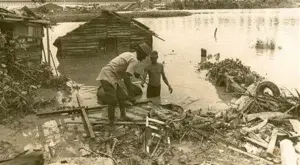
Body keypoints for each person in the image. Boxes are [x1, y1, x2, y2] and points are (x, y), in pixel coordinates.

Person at [96, 43, 151, 125]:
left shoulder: (129, 54)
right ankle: (111, 122)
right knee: (113, 101)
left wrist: (134, 73)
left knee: (121, 96)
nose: (144, 58)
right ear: (141, 52)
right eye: (144, 55)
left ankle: (123, 116)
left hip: (112, 75)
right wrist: (131, 95)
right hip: (107, 75)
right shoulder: (134, 60)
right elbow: (126, 78)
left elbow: (123, 68)